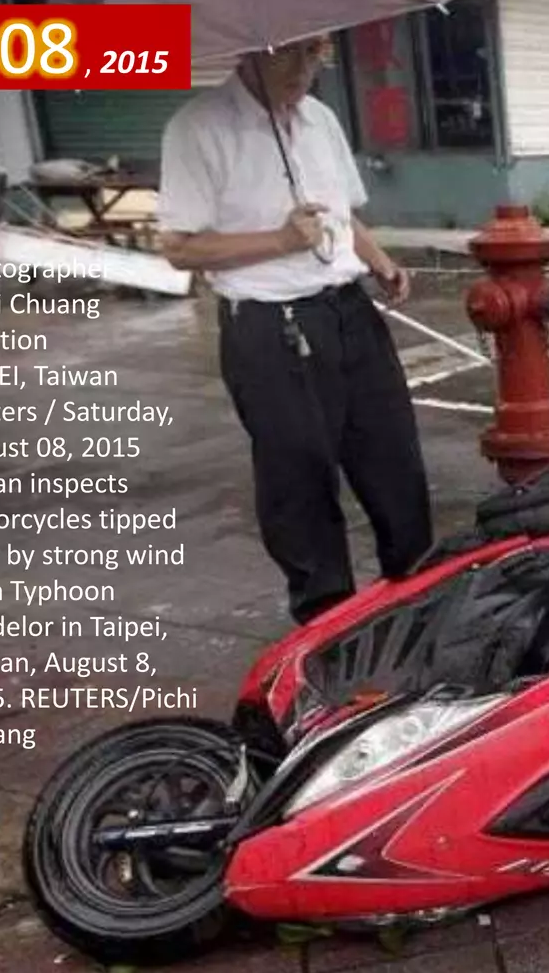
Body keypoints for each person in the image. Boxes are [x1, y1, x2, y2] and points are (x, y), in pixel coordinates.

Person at [157, 36, 432, 624]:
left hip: (349, 312)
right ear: (249, 50)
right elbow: (179, 247)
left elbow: (340, 214)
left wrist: (381, 264)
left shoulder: (319, 119)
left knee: (395, 461)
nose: (306, 70)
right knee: (300, 482)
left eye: (317, 55)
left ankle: (419, 601)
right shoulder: (199, 127)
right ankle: (328, 626)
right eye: (293, 54)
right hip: (270, 327)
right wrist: (278, 241)